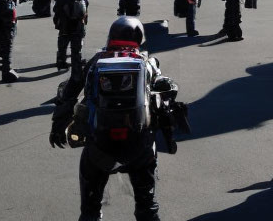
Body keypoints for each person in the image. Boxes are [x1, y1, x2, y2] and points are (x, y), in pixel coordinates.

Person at [49, 16, 188, 221]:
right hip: (139, 147)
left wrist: (58, 126)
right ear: (139, 37)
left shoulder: (96, 62)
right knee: (147, 208)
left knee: (90, 210)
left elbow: (67, 93)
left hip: (100, 146)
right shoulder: (147, 63)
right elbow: (166, 91)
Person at [53, 0, 92, 76]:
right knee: (78, 33)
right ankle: (76, 61)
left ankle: (61, 59)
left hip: (62, 6)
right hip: (77, 5)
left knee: (63, 32)